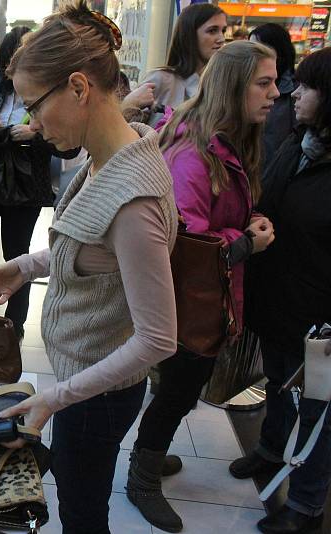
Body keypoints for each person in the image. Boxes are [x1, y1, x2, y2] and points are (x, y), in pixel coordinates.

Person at [0, 3, 179, 531]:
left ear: (80, 88)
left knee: (83, 515)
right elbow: (93, 245)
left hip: (97, 393)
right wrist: (23, 265)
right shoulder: (111, 153)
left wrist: (54, 399)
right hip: (83, 380)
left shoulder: (135, 196)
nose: (32, 125)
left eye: (35, 106)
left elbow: (158, 338)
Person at [124, 40, 279, 533]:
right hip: (190, 301)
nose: (276, 92)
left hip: (200, 299)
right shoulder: (197, 152)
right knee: (177, 391)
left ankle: (153, 453)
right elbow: (187, 241)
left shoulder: (220, 141)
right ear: (235, 88)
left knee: (179, 390)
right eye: (264, 82)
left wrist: (243, 219)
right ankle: (142, 479)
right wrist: (246, 241)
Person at [230, 47, 331, 534]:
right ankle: (269, 449)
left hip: (320, 317)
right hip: (278, 301)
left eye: (308, 87)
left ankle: (307, 506)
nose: (293, 94)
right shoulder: (298, 140)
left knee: (319, 411)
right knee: (276, 383)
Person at [0, 26, 76, 338]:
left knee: (18, 255)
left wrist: (34, 136)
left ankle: (14, 326)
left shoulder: (50, 92)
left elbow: (69, 145)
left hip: (26, 188)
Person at [123, 3, 227, 126]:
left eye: (223, 31)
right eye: (212, 31)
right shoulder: (160, 79)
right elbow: (127, 126)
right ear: (190, 35)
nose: (221, 39)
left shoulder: (220, 84)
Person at [249, 23, 297, 171]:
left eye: (260, 50)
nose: (253, 56)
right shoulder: (244, 85)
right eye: (250, 49)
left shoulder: (296, 92)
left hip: (276, 177)